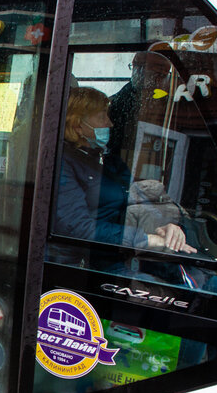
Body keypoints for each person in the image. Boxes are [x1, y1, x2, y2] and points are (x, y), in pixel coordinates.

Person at [53, 87, 196, 264]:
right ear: (78, 126)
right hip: (89, 260)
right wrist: (147, 239)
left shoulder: (109, 161)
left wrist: (166, 226)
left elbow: (136, 202)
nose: (110, 123)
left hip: (124, 250)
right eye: (102, 117)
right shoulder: (63, 164)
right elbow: (77, 227)